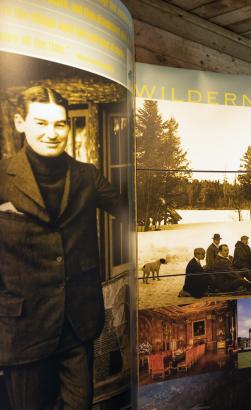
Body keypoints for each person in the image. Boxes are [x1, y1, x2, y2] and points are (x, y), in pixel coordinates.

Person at [0, 86, 126, 409]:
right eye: (41, 123)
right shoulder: (3, 178)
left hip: (77, 324)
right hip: (24, 328)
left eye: (59, 124)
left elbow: (130, 209)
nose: (52, 133)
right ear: (19, 122)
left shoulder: (86, 176)